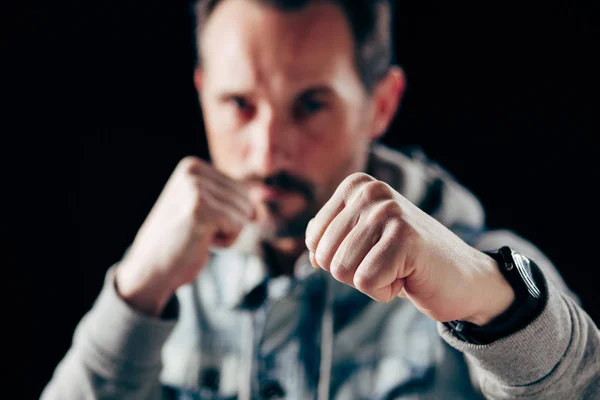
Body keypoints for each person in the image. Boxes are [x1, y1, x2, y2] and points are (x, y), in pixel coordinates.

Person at [41, 0, 599, 399]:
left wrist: (489, 301)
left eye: (309, 105)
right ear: (201, 93)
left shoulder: (490, 279)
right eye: (238, 104)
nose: (267, 153)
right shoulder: (162, 285)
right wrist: (134, 294)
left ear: (380, 105)